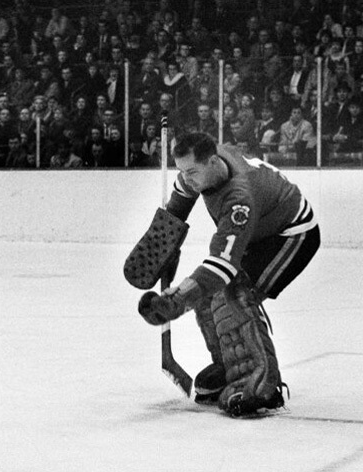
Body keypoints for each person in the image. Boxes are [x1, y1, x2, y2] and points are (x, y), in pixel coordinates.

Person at [135, 132, 320, 415]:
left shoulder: (239, 198)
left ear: (212, 162)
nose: (186, 178)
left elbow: (222, 266)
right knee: (210, 297)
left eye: (191, 172)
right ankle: (231, 368)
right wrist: (163, 246)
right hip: (259, 230)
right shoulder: (205, 166)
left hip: (292, 234)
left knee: (234, 293)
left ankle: (261, 384)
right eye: (181, 171)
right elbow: (180, 201)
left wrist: (179, 298)